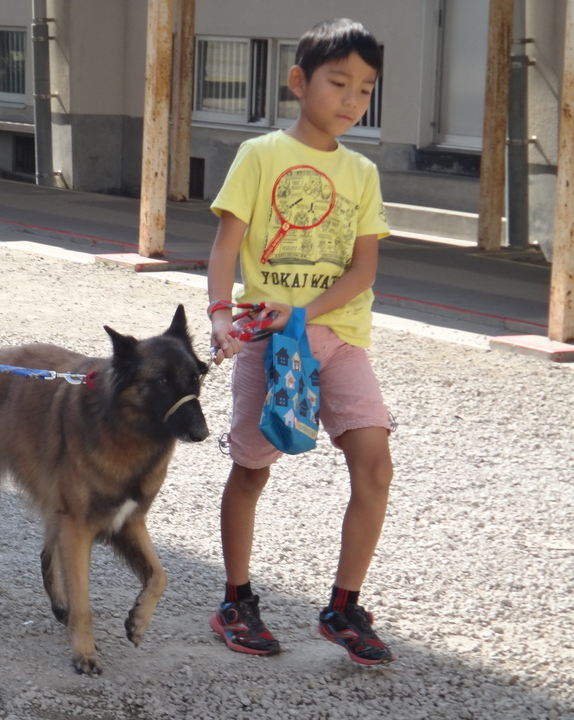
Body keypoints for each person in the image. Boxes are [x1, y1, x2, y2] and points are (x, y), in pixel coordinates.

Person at [206, 19, 395, 665]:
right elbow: (226, 246)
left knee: (374, 465)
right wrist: (220, 317)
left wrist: (304, 312)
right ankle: (236, 599)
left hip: (339, 339)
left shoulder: (364, 172)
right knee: (253, 468)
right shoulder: (260, 156)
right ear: (299, 82)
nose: (351, 98)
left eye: (365, 89)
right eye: (338, 82)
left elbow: (364, 268)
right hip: (266, 344)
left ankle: (344, 607)